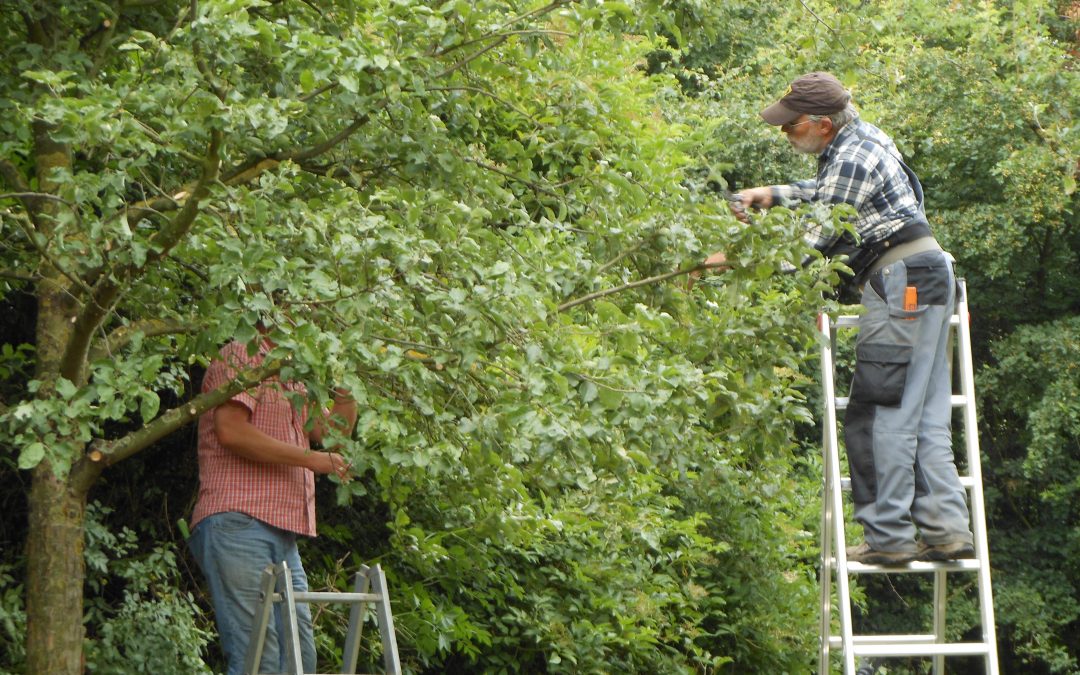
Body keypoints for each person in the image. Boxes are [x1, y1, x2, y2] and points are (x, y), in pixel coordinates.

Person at [714, 71, 975, 565]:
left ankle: (889, 538)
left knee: (879, 415)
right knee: (924, 417)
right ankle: (945, 530)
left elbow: (815, 243)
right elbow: (825, 191)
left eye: (791, 127)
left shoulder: (852, 155)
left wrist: (739, 255)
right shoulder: (862, 141)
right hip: (928, 276)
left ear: (823, 124)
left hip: (902, 284)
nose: (785, 133)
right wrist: (769, 193)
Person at [188, 327, 358, 674]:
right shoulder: (241, 355)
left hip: (282, 534)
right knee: (259, 662)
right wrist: (311, 460)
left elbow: (330, 435)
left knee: (300, 662)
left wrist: (348, 381)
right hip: (238, 522)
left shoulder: (294, 376)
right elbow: (231, 431)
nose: (313, 318)